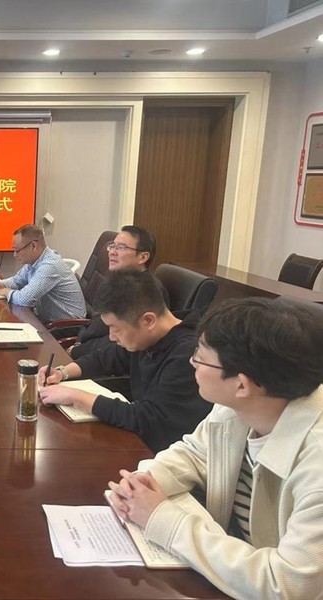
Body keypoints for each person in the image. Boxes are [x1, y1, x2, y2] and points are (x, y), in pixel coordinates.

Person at [108, 298, 323, 600]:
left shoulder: (316, 463)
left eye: (200, 356)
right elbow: (194, 453)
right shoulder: (240, 407)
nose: (192, 362)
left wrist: (161, 518)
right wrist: (142, 484)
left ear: (242, 385)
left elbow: (287, 584)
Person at [38, 269, 210, 452]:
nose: (112, 336)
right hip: (139, 438)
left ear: (148, 320)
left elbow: (149, 419)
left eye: (116, 328)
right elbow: (105, 358)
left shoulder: (189, 356)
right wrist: (62, 372)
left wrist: (76, 396)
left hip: (162, 451)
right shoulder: (149, 337)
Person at [70, 225, 162, 358]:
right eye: (112, 246)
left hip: (102, 361)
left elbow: (118, 343)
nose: (112, 252)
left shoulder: (147, 293)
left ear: (143, 257)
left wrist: (77, 351)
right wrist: (77, 344)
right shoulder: (117, 282)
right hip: (85, 349)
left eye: (121, 248)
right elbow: (94, 324)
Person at [0, 224, 85, 323]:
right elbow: (17, 280)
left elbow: (24, 299)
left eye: (17, 250)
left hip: (66, 326)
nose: (15, 255)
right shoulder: (35, 261)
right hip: (47, 320)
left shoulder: (49, 266)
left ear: (33, 246)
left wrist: (5, 291)